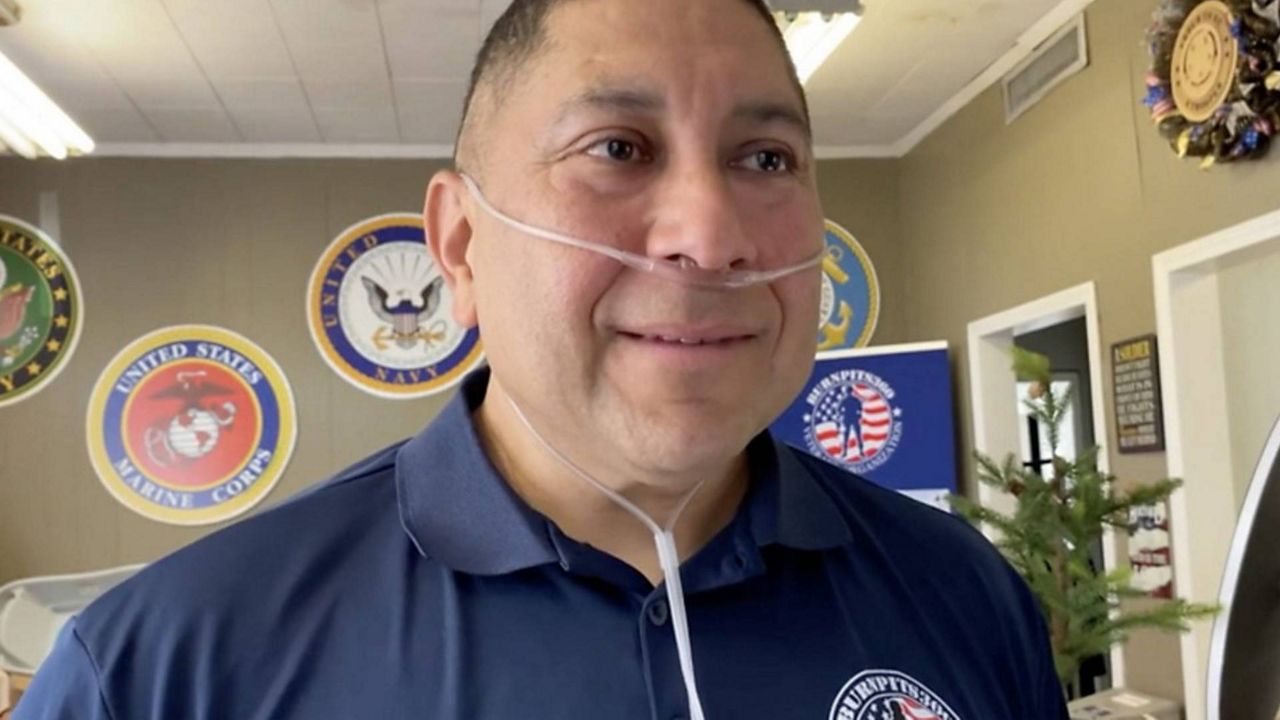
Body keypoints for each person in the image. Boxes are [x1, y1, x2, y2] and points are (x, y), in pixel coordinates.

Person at [17, 0, 1068, 718]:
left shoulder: (962, 595)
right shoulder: (168, 668)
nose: (710, 237)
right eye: (616, 148)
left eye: (764, 158)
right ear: (458, 245)